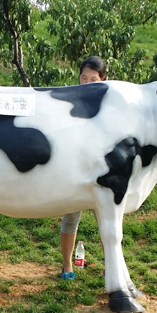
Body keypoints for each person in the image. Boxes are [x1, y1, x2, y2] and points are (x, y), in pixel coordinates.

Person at [59, 56, 107, 280]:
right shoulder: (69, 101)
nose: (86, 83)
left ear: (103, 79)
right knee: (70, 218)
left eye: (93, 79)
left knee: (107, 220)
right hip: (75, 170)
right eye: (83, 78)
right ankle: (67, 265)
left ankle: (112, 267)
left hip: (101, 173)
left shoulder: (108, 105)